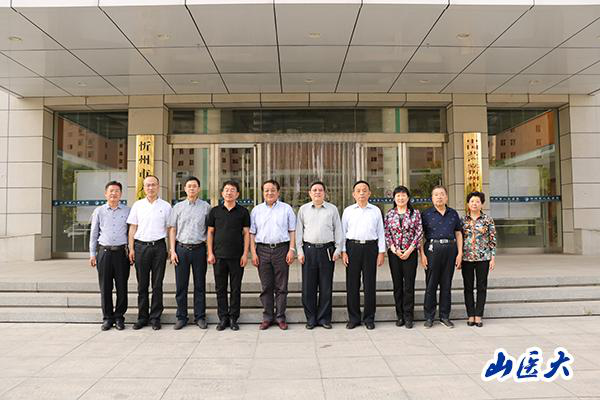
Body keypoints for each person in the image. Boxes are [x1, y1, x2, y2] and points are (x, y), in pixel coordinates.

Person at [296, 181, 343, 330]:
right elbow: (299, 231)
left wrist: (338, 249)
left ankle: (324, 318)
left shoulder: (332, 209)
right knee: (308, 287)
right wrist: (299, 251)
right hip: (309, 250)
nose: (317, 192)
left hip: (327, 251)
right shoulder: (303, 209)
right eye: (314, 190)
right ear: (310, 193)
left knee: (325, 287)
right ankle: (310, 318)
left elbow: (338, 229)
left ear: (324, 193)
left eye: (320, 190)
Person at [250, 179, 296, 330]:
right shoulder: (256, 210)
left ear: (278, 192)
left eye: (273, 190)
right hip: (262, 250)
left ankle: (280, 317)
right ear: (263, 192)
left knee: (281, 286)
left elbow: (292, 230)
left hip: (281, 249)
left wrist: (291, 249)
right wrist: (253, 253)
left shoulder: (286, 209)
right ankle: (267, 317)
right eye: (266, 190)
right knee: (266, 286)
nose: (270, 193)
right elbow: (252, 233)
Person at [127, 175, 172, 330]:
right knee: (142, 285)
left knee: (157, 284)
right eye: (148, 185)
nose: (151, 188)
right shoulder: (137, 205)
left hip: (159, 247)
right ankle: (142, 317)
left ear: (158, 186)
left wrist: (170, 249)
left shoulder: (166, 206)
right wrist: (131, 248)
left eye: (153, 185)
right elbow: (132, 228)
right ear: (144, 188)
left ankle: (155, 317)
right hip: (141, 247)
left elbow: (170, 229)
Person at [168, 176, 211, 330]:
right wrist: (172, 250)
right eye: (189, 186)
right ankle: (181, 317)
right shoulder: (177, 207)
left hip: (199, 249)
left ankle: (200, 317)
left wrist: (209, 250)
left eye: (194, 186)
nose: (192, 188)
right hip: (181, 249)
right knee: (181, 286)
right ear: (185, 189)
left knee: (200, 285)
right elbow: (172, 229)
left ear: (198, 189)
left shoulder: (206, 207)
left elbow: (209, 230)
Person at [341, 180, 385, 330]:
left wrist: (381, 252)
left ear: (369, 193)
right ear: (353, 194)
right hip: (352, 248)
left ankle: (369, 318)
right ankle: (354, 318)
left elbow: (381, 232)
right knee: (352, 284)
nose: (361, 193)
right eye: (358, 191)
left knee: (369, 284)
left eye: (364, 190)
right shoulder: (348, 211)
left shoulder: (376, 210)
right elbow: (343, 232)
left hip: (370, 248)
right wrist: (343, 251)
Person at [207, 180, 251, 331]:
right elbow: (210, 233)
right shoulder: (215, 211)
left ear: (237, 194)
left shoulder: (243, 212)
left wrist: (245, 254)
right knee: (220, 288)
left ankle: (233, 318)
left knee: (235, 288)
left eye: (232, 190)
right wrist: (210, 252)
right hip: (218, 256)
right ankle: (223, 318)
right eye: (226, 190)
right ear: (222, 193)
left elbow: (246, 234)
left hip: (237, 256)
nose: (229, 192)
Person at [420, 185, 463, 329]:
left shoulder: (453, 213)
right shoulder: (426, 214)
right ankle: (429, 317)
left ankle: (445, 316)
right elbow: (420, 236)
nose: (439, 197)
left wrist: (460, 253)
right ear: (432, 198)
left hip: (450, 250)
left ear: (446, 197)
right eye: (436, 194)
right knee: (431, 284)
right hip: (432, 250)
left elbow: (458, 233)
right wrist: (422, 255)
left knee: (446, 284)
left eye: (442, 194)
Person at [89, 181, 131, 331]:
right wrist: (92, 254)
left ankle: (119, 317)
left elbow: (131, 233)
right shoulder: (99, 211)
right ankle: (107, 318)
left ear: (121, 194)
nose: (114, 193)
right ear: (106, 193)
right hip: (104, 253)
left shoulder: (128, 210)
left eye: (117, 191)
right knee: (105, 287)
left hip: (121, 253)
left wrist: (131, 251)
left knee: (122, 286)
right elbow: (94, 234)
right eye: (111, 191)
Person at [383, 185, 423, 329]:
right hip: (394, 254)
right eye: (398, 195)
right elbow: (386, 233)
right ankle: (399, 315)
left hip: (410, 253)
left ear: (408, 197)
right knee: (397, 285)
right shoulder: (389, 214)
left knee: (409, 286)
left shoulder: (415, 214)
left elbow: (419, 232)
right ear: (394, 198)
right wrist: (394, 249)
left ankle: (409, 316)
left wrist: (410, 249)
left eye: (403, 195)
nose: (401, 198)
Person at [461, 191, 497, 328]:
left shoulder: (488, 220)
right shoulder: (463, 220)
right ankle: (470, 314)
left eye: (477, 201)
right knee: (468, 287)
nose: (474, 204)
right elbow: (459, 239)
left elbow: (492, 239)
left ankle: (479, 315)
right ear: (468, 204)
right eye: (472, 201)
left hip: (483, 258)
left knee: (481, 287)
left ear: (482, 204)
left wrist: (492, 257)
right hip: (466, 258)